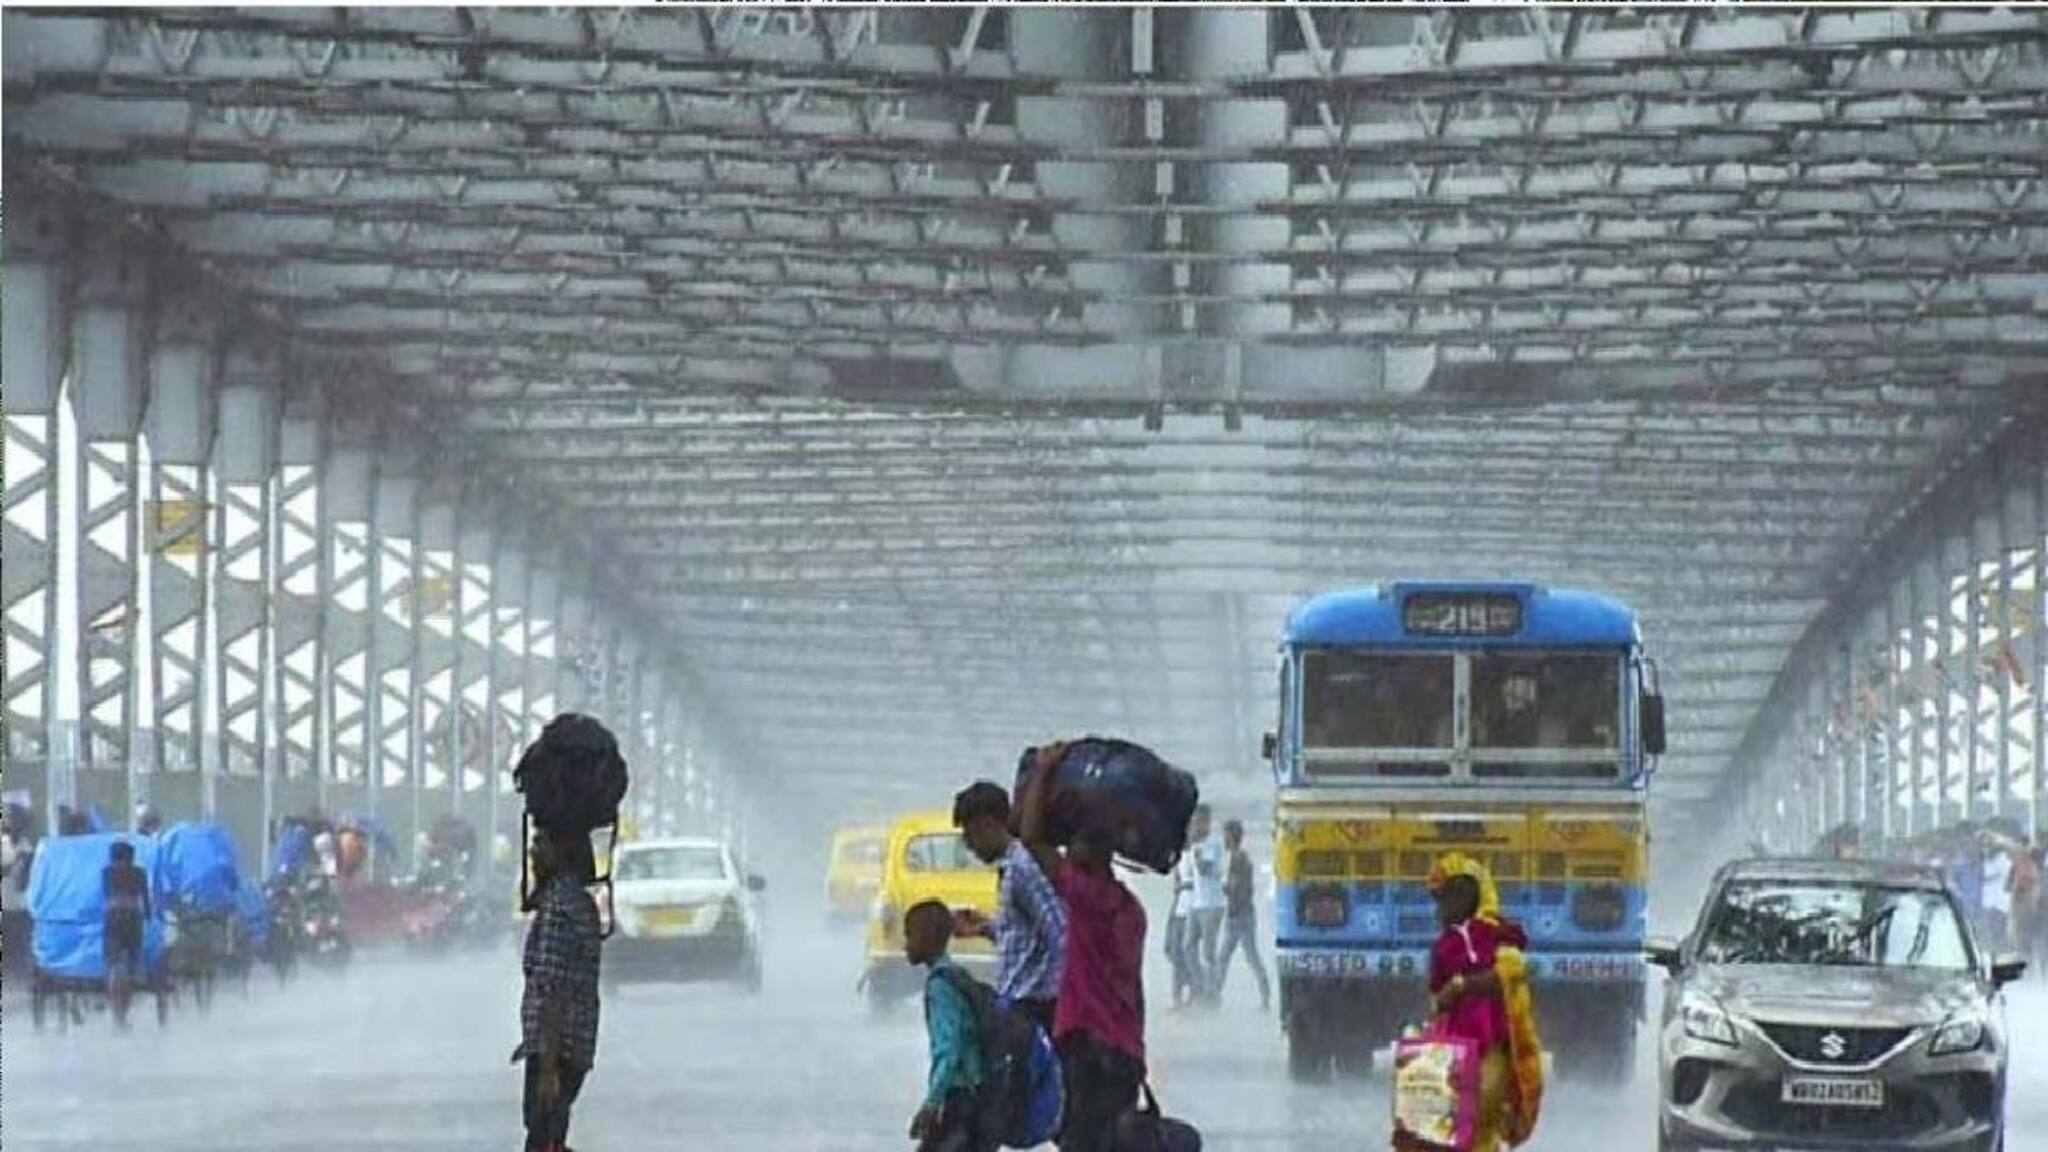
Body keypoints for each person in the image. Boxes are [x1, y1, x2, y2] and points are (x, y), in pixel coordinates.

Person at [1018, 743, 1146, 1152]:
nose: (1066, 853)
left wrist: (1042, 771)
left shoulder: (1085, 896)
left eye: (1072, 847)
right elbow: (1134, 986)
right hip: (1125, 1051)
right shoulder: (1130, 909)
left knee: (1080, 1143)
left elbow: (1032, 839)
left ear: (1089, 854)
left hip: (1088, 1046)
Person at [1398, 853, 1544, 1152]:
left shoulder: (1498, 936)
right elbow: (1437, 998)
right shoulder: (1444, 946)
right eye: (1438, 901)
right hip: (1455, 1048)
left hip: (1492, 1045)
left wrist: (1463, 985)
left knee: (1480, 1120)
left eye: (1448, 898)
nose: (1440, 909)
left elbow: (1509, 973)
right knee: (1454, 1126)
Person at [951, 780, 1066, 1033]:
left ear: (987, 825)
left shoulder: (1022, 869)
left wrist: (1052, 1002)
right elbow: (1027, 937)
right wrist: (987, 928)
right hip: (1018, 1004)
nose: (970, 847)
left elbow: (1059, 934)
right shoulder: (1009, 870)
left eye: (969, 836)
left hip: (1033, 1007)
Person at [514, 829, 603, 1152]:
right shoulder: (578, 902)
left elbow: (553, 991)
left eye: (542, 842)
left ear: (563, 853)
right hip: (572, 1043)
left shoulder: (558, 910)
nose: (533, 851)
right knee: (550, 1136)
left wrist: (548, 1066)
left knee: (542, 1137)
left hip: (557, 1045)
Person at [905, 899, 992, 1152]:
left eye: (910, 935)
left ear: (927, 938)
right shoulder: (957, 975)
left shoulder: (940, 986)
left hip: (960, 1098)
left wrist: (931, 1104)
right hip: (977, 1095)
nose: (905, 945)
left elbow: (949, 1050)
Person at [1214, 819, 1271, 1010]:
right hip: (1241, 913)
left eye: (1226, 835)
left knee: (1243, 956)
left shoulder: (1238, 859)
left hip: (1239, 915)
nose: (1224, 839)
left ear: (1231, 837)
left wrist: (1223, 889)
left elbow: (1237, 887)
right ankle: (1263, 995)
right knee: (1234, 956)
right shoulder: (1239, 858)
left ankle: (1264, 995)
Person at [103, 840, 151, 1028]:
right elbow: (145, 899)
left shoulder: (106, 873)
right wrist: (148, 915)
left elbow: (104, 894)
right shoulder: (139, 873)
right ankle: (124, 1010)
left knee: (113, 960)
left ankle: (115, 1007)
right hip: (133, 917)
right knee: (132, 960)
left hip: (113, 916)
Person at [1185, 805, 1227, 1005]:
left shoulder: (1213, 843)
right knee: (1188, 946)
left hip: (1212, 903)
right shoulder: (1196, 844)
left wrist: (1195, 849)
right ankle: (1199, 986)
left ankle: (1214, 993)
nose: (1197, 825)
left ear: (1207, 822)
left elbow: (1203, 868)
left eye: (1201, 822)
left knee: (1209, 952)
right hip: (1197, 902)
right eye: (1194, 822)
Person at [1166, 853, 1197, 1009]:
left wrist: (1185, 885)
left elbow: (1200, 881)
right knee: (1171, 950)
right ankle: (1182, 993)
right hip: (1178, 908)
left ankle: (1188, 994)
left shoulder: (1195, 854)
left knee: (1185, 954)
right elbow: (1176, 886)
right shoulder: (1179, 857)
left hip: (1190, 910)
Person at [1983, 840, 2014, 950]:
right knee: (1990, 932)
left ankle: (2002, 949)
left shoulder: (2004, 861)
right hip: (1989, 903)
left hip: (2000, 904)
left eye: (1988, 847)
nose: (1985, 850)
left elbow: (1988, 877)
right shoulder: (1987, 861)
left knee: (1998, 931)